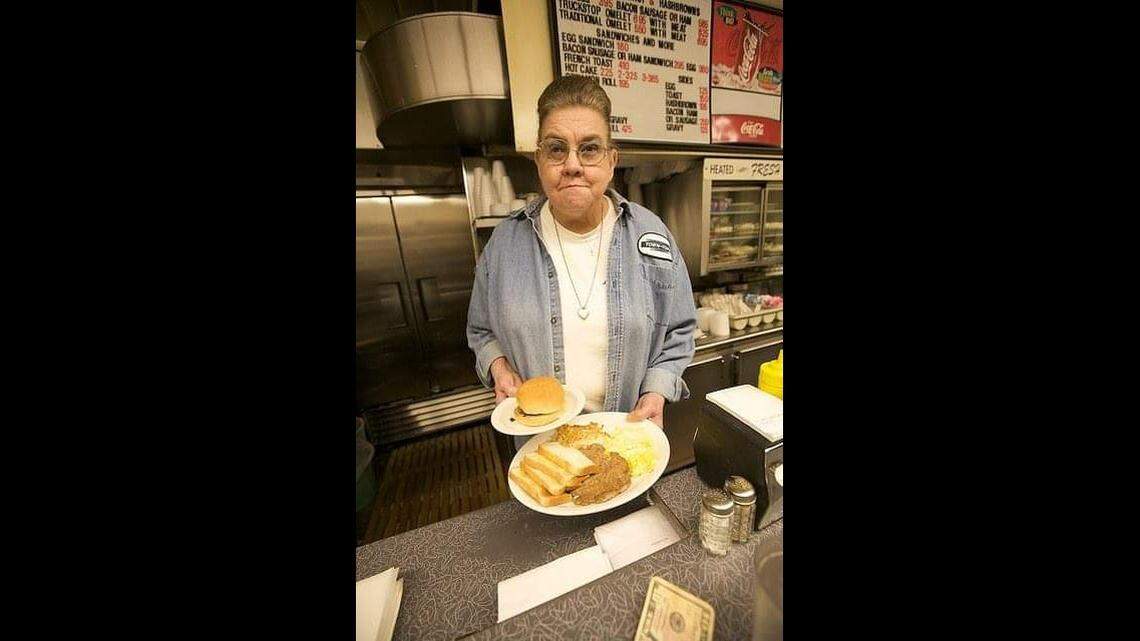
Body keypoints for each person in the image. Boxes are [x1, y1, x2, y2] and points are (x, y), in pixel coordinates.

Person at [466, 75, 696, 440]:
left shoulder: (651, 236)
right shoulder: (504, 245)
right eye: (557, 149)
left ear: (611, 160)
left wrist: (657, 389)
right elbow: (480, 330)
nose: (573, 164)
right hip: (542, 449)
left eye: (589, 149)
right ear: (539, 159)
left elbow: (680, 328)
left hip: (626, 442)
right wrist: (498, 366)